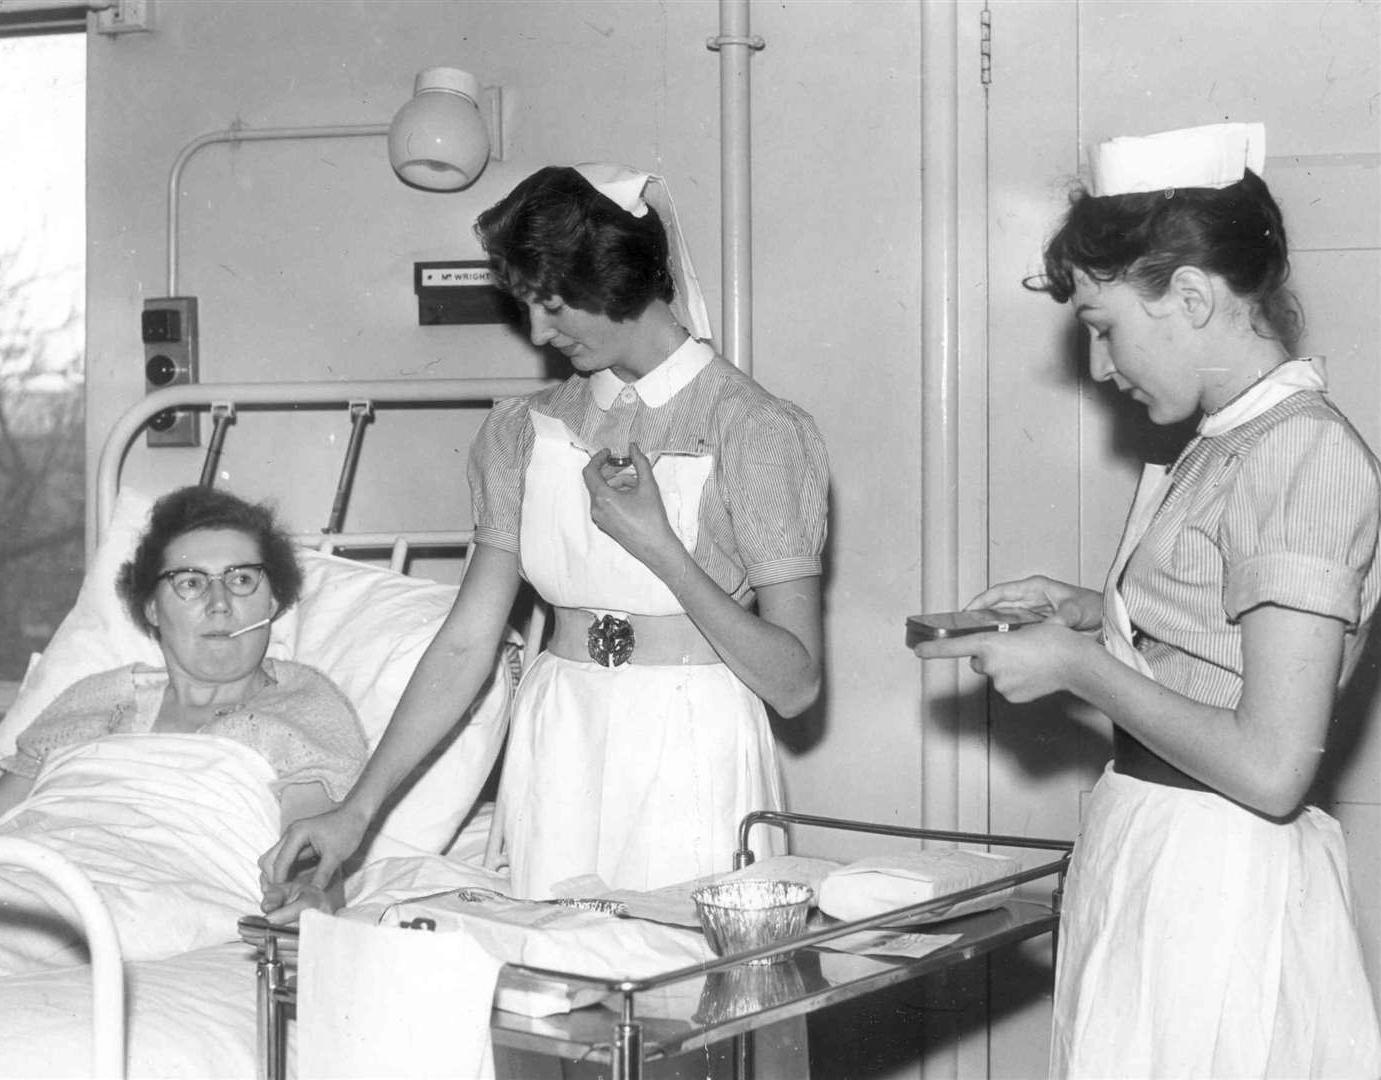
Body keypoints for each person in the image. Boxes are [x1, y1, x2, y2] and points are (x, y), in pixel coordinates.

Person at [914, 122, 1381, 1078]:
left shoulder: (1301, 452)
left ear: (1194, 296)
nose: (1098, 368)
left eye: (1103, 328)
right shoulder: (1229, 441)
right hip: (1161, 852)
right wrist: (1093, 609)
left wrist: (1081, 667)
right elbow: (1221, 637)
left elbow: (1267, 767)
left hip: (1220, 883)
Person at [264, 163, 829, 900]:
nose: (536, 331)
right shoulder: (523, 432)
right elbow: (466, 640)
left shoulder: (753, 430)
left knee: (683, 992)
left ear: (621, 279)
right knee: (554, 992)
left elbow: (795, 685)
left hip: (692, 742)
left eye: (555, 303)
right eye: (526, 304)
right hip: (558, 733)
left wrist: (661, 549)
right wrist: (355, 813)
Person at [0, 485, 367, 974]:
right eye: (190, 582)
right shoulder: (93, 699)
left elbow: (312, 851)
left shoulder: (299, 704)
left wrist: (311, 901)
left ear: (272, 599)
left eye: (242, 580)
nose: (219, 604)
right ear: (151, 608)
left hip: (166, 897)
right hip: (31, 877)